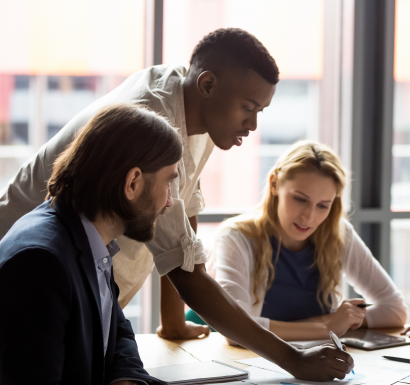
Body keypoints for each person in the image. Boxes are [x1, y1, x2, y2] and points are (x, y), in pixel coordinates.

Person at [0, 29, 354, 381]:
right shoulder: (152, 120)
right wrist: (295, 360)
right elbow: (188, 274)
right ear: (209, 84)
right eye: (248, 108)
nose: (253, 124)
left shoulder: (199, 105)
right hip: (38, 277)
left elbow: (183, 222)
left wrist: (173, 322)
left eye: (260, 110)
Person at [0, 104, 182, 384]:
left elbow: (117, 332)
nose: (169, 200)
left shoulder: (89, 240)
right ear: (132, 183)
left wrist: (125, 380)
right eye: (168, 182)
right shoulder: (41, 263)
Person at [205, 140, 408, 342]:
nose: (309, 217)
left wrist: (344, 320)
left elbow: (396, 309)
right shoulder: (236, 238)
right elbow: (235, 327)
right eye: (300, 199)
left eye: (322, 205)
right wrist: (327, 326)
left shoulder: (337, 233)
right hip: (252, 362)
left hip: (319, 362)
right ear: (274, 184)